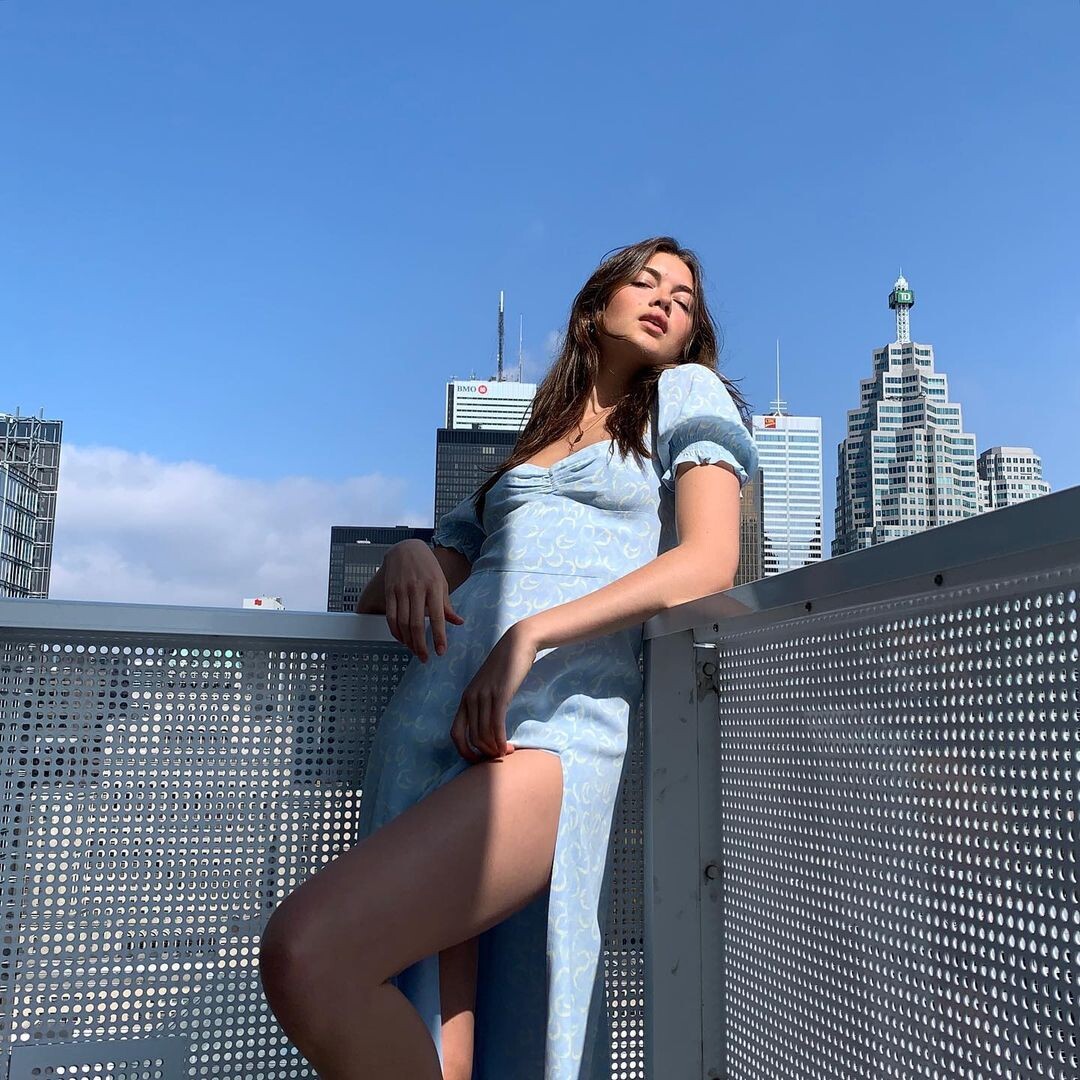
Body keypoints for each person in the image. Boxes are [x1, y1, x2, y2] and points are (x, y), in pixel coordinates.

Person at [259, 236, 759, 1079]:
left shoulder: (685, 393)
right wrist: (405, 557)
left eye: (684, 299)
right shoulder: (533, 446)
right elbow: (397, 596)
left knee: (308, 954)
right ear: (594, 308)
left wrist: (532, 634)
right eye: (645, 282)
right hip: (430, 724)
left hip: (556, 728)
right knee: (440, 1037)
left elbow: (711, 559)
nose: (665, 300)